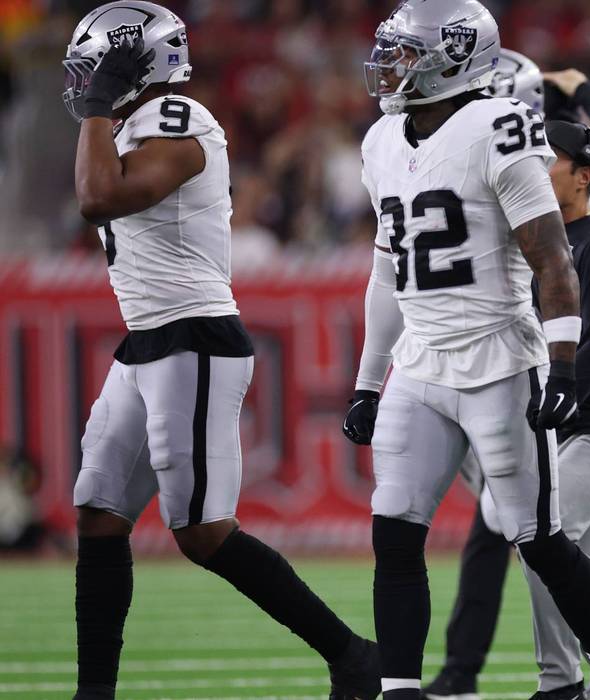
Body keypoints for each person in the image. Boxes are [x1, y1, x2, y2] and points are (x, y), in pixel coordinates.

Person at [62, 3, 379, 699]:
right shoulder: (128, 124)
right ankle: (94, 693)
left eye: (98, 66)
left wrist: (94, 110)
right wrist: (99, 112)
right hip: (146, 340)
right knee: (98, 511)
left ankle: (353, 656)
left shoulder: (182, 122)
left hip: (195, 335)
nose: (85, 81)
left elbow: (98, 198)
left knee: (202, 531)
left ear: (137, 65)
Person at [343, 2, 590, 699]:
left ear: (452, 57)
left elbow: (552, 259)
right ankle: (399, 688)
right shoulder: (382, 141)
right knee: (393, 534)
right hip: (420, 365)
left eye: (408, 53)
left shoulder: (500, 124)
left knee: (540, 539)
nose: (392, 66)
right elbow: (389, 270)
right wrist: (368, 381)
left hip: (498, 362)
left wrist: (563, 364)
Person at [420, 52, 590, 700]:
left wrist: (546, 406)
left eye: (549, 163)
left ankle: (573, 677)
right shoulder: (542, 242)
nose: (535, 173)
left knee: (545, 543)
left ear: (582, 175)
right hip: (565, 427)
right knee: (569, 558)